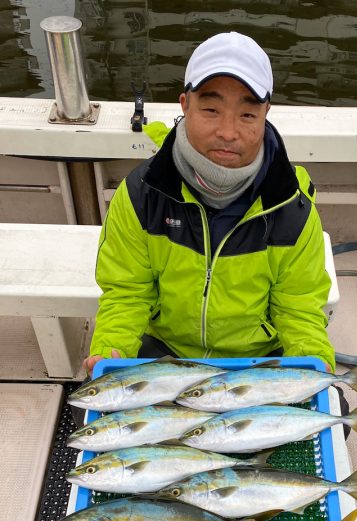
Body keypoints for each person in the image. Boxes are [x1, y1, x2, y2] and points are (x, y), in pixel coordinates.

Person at [84, 31, 335, 377]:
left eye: (247, 115)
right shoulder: (141, 194)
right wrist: (111, 349)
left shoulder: (292, 206)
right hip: (166, 351)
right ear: (184, 104)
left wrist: (312, 357)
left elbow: (298, 307)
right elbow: (127, 294)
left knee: (333, 404)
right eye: (212, 109)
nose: (228, 132)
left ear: (266, 113)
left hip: (257, 357)